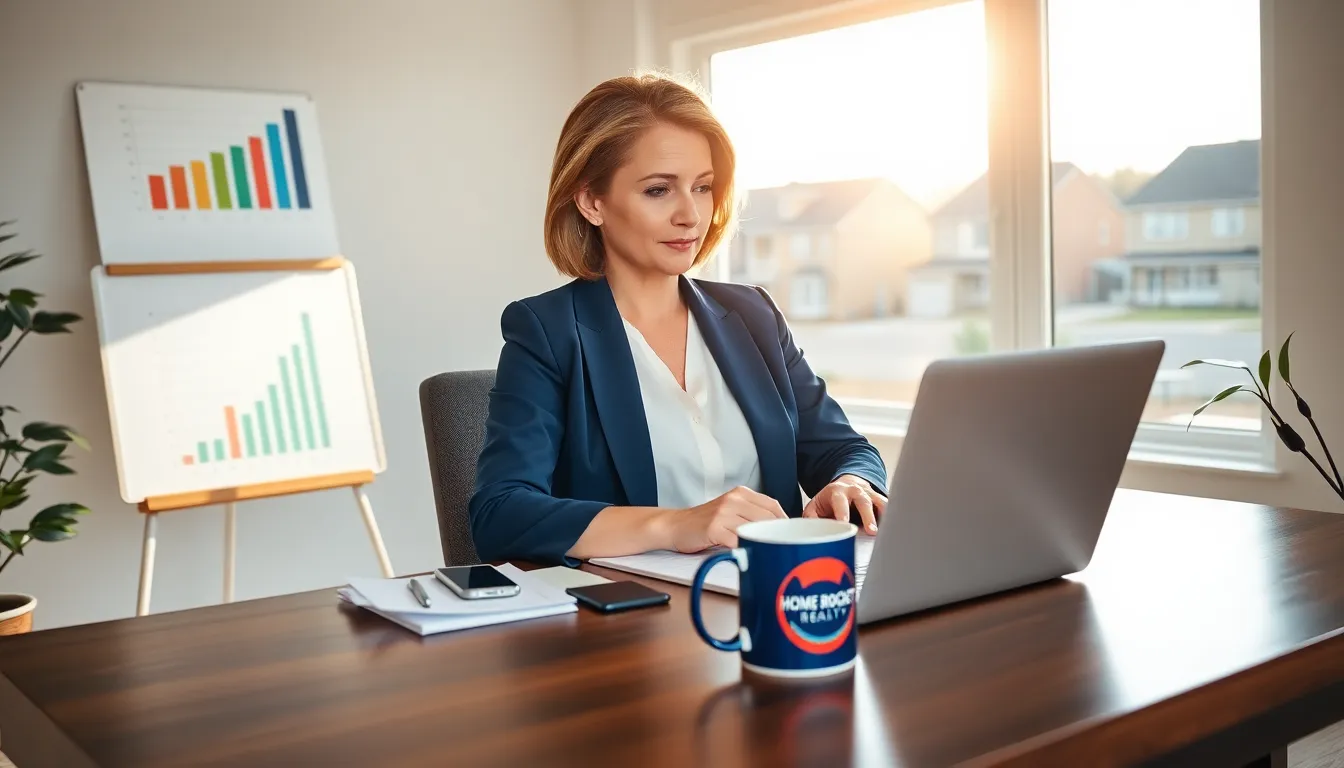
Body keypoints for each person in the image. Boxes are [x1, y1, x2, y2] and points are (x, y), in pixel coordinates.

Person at [469, 73, 888, 566]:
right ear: (592, 201)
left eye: (703, 187)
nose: (692, 214)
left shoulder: (753, 314)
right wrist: (676, 523)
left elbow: (844, 449)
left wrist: (850, 483)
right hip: (637, 621)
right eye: (658, 190)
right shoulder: (547, 331)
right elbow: (500, 514)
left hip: (775, 596)